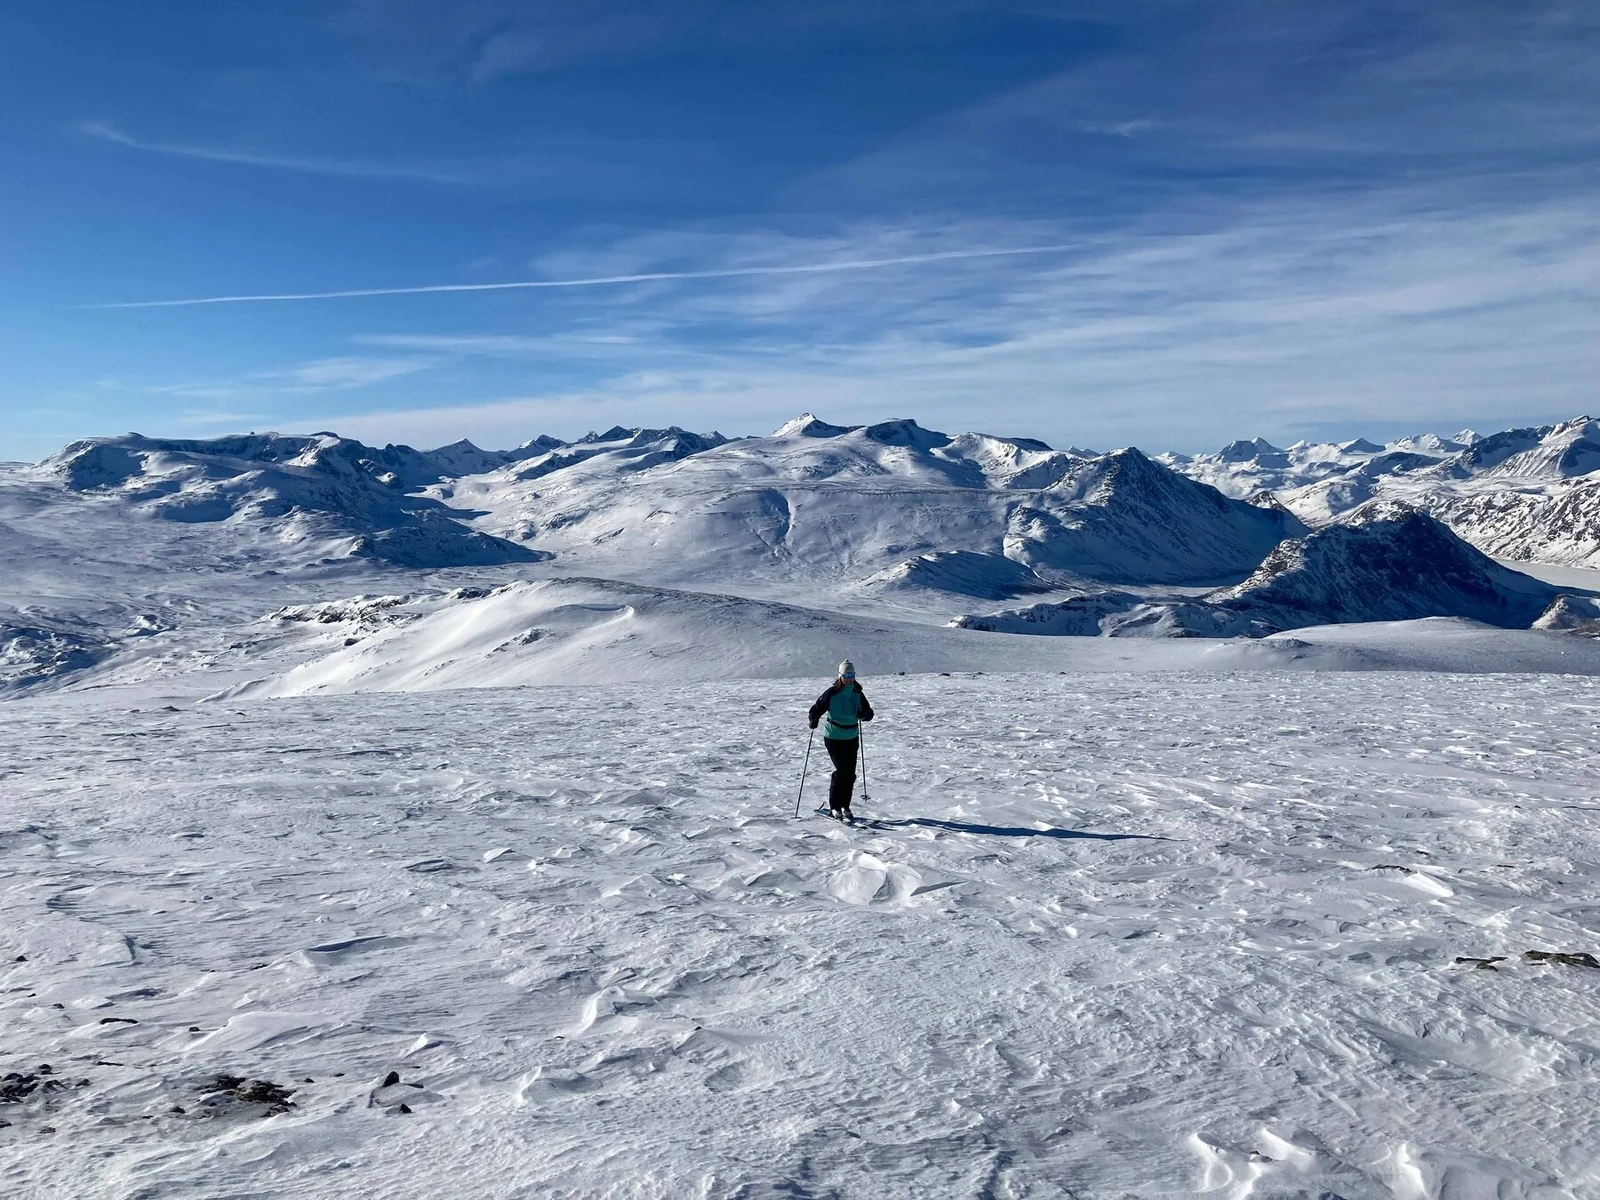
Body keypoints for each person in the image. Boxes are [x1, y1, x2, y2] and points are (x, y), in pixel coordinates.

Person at [808, 659, 874, 820]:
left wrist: (863, 715)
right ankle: (834, 807)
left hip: (851, 737)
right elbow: (817, 708)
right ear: (840, 676)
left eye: (851, 675)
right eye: (846, 675)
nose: (849, 678)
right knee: (843, 772)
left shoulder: (857, 693)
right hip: (834, 737)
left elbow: (869, 713)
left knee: (850, 774)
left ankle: (845, 806)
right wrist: (813, 719)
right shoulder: (831, 693)